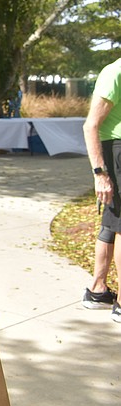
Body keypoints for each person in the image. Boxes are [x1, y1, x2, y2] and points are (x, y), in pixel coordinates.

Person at [82, 58, 121, 320]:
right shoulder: (116, 72)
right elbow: (91, 125)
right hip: (116, 151)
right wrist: (100, 174)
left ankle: (97, 290)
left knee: (110, 224)